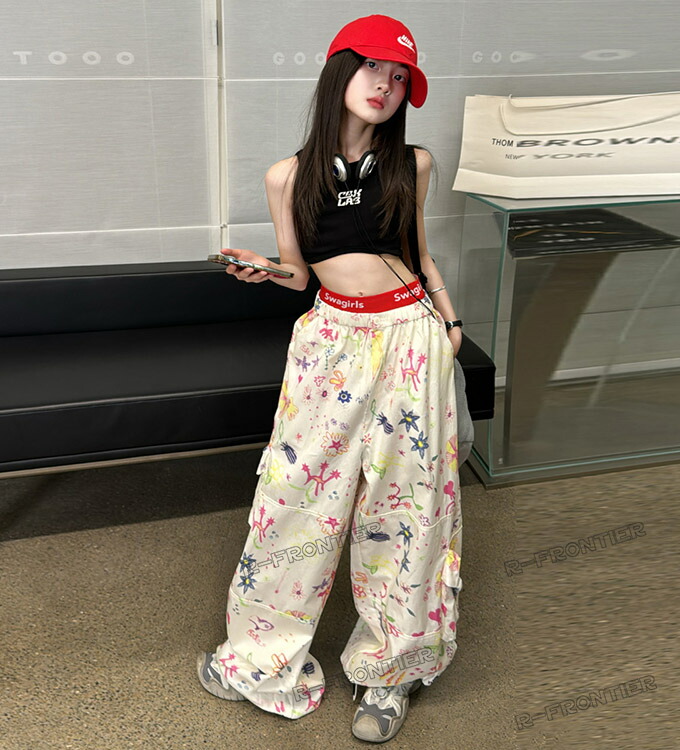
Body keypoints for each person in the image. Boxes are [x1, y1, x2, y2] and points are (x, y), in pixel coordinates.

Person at [196, 14, 464, 744]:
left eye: (399, 76)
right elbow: (299, 273)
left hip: (410, 336)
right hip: (331, 341)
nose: (385, 85)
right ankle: (261, 658)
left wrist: (449, 323)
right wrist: (267, 270)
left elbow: (419, 254)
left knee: (408, 508)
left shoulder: (414, 164)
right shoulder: (287, 176)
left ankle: (391, 671)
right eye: (373, 67)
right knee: (294, 499)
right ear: (340, 69)